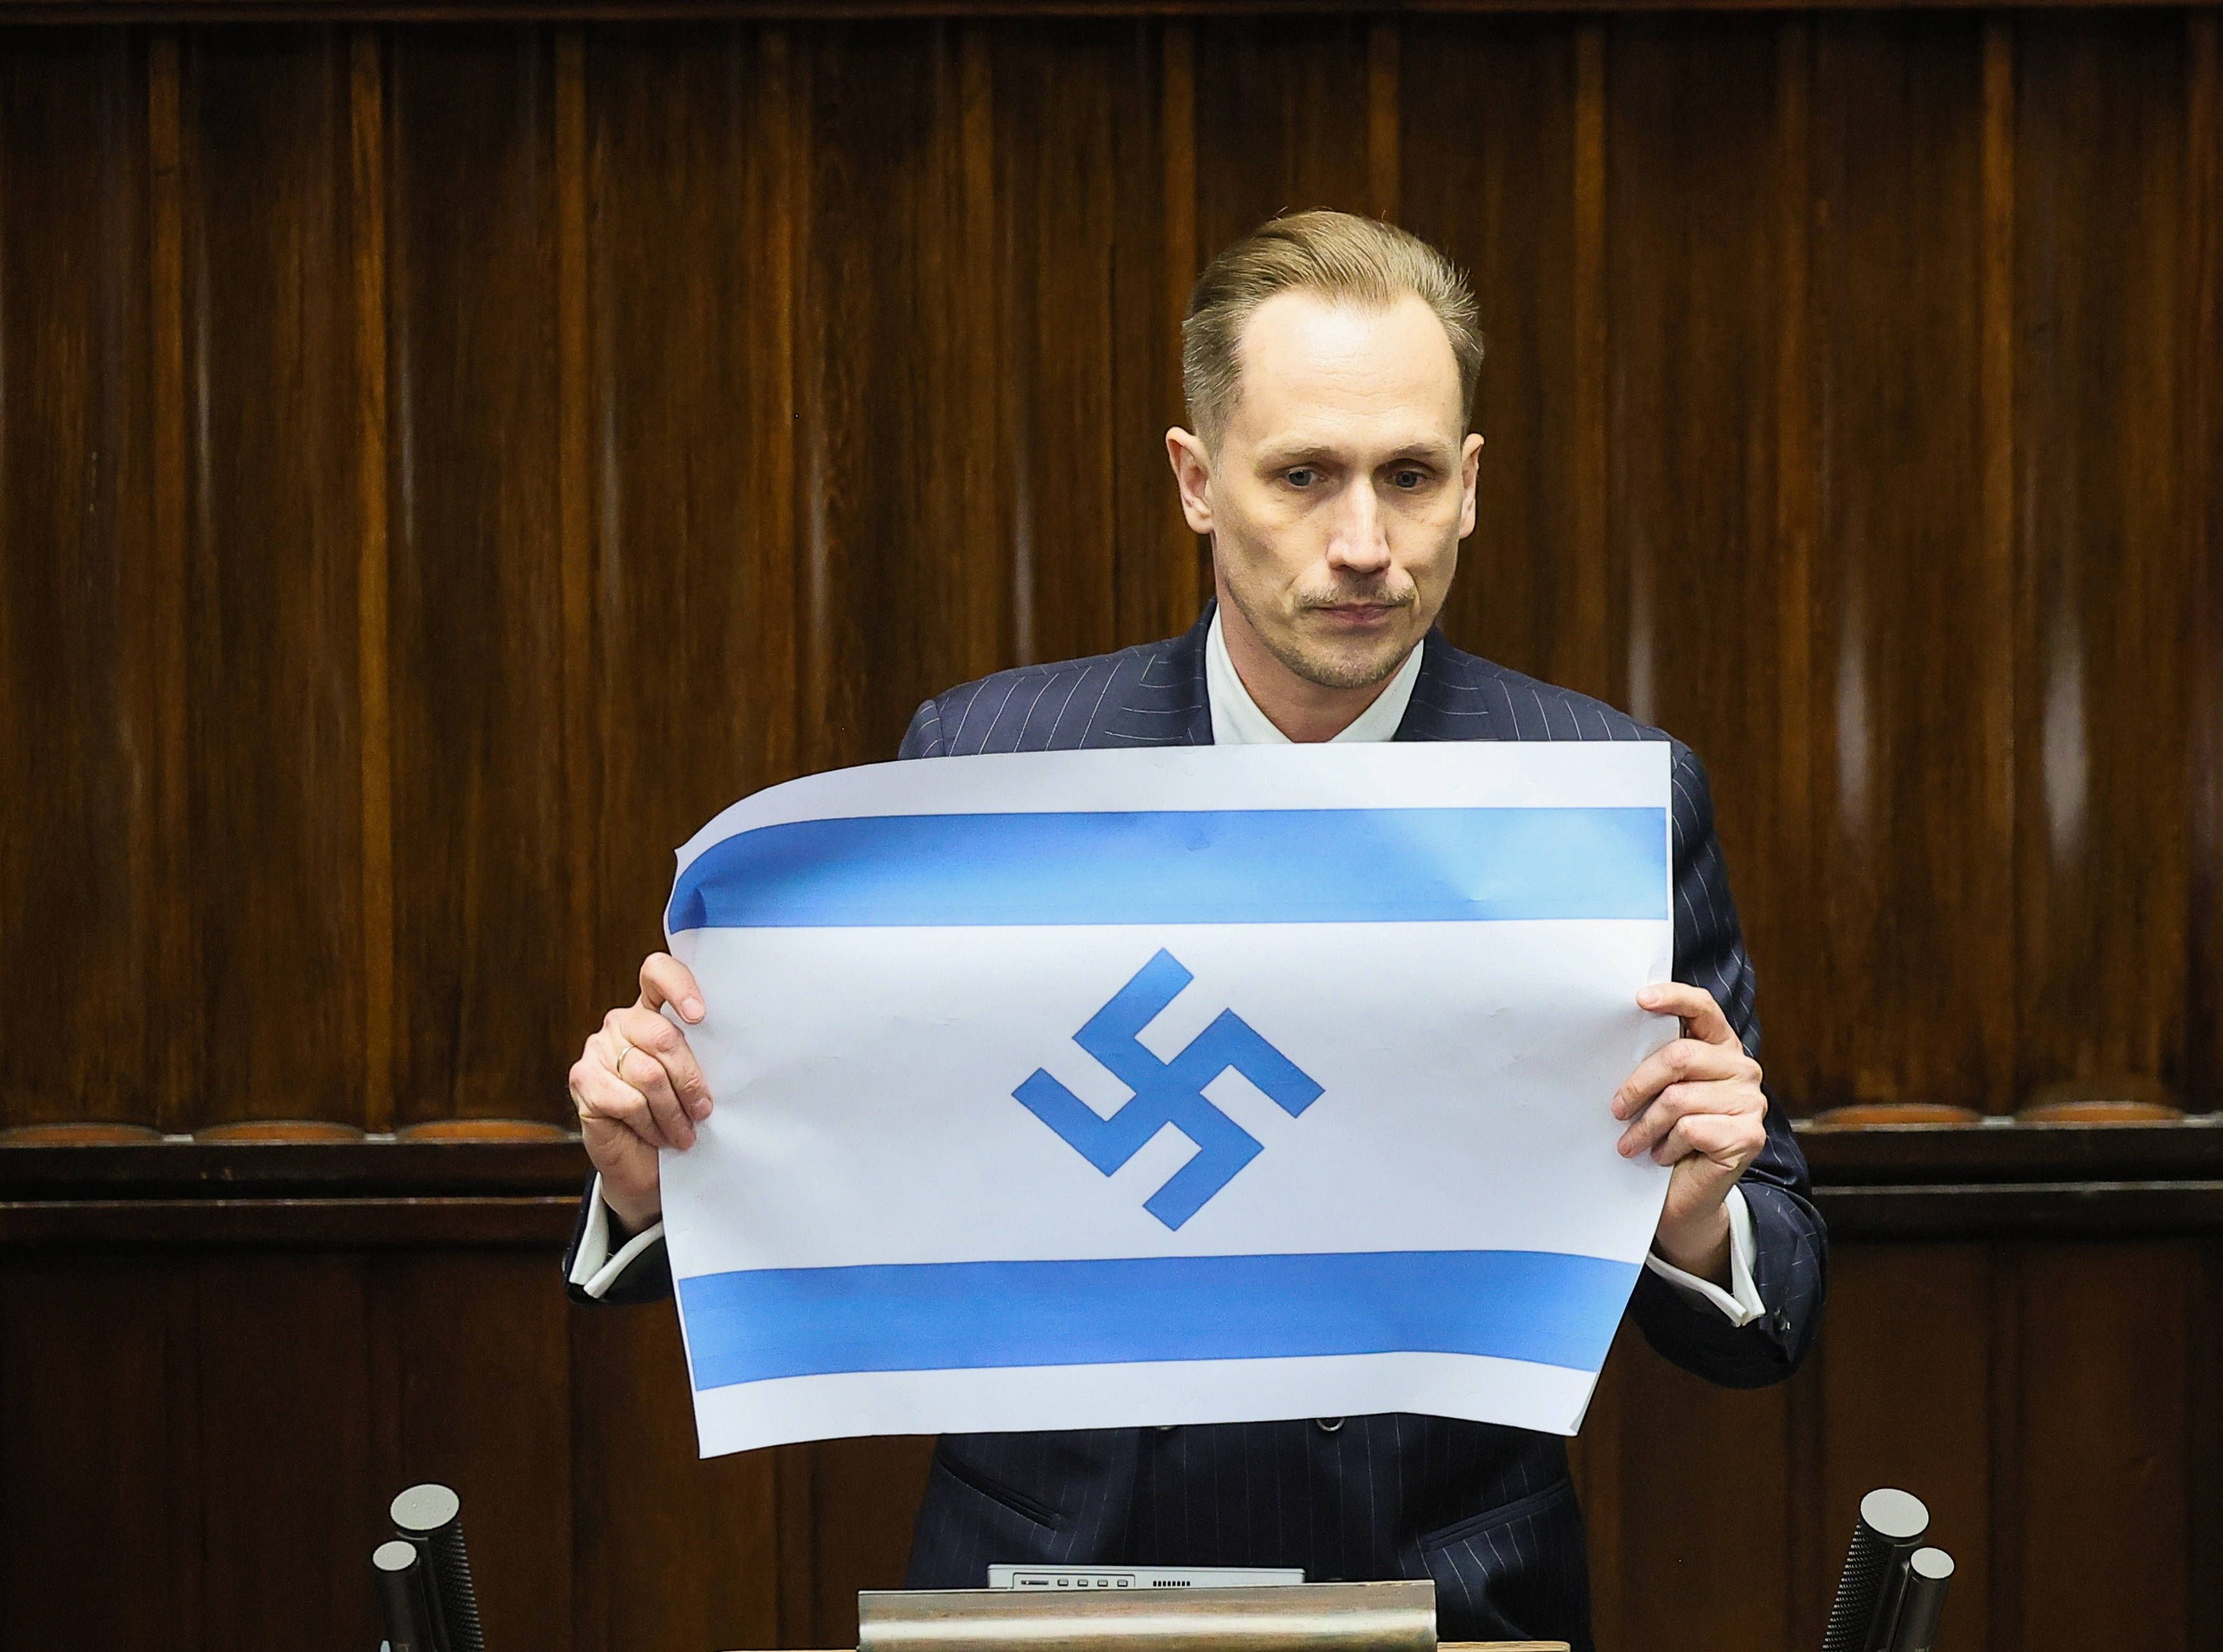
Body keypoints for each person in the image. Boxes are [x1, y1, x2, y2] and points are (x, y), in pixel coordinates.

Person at [562, 210, 1825, 1651]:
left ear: (1470, 487)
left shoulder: (1607, 799)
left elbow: (1774, 1304)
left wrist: (1695, 1216)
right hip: (1049, 1591)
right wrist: (656, 1180)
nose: (1364, 544)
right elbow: (853, 1148)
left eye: (1409, 477)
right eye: (1303, 475)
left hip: (1446, 1599)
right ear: (1195, 480)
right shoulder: (986, 763)